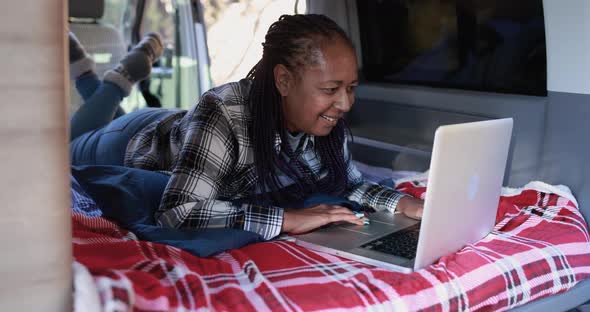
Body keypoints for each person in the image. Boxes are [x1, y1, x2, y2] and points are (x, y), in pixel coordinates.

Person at [69, 14, 424, 241]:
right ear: (283, 80)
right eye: (330, 90)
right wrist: (285, 218)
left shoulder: (323, 123)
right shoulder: (225, 111)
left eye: (350, 88)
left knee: (100, 113)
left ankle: (99, 76)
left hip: (184, 128)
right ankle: (119, 77)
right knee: (67, 141)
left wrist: (403, 202)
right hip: (129, 141)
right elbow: (177, 212)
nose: (345, 104)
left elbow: (351, 183)